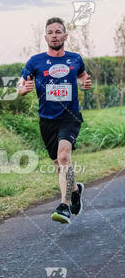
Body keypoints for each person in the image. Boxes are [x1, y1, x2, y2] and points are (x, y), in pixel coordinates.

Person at [18, 17, 92, 223]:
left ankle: (64, 206)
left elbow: (82, 76)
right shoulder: (35, 61)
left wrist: (85, 81)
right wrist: (22, 89)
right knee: (60, 166)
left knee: (64, 157)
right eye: (50, 32)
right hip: (47, 120)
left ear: (65, 36)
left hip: (70, 117)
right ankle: (75, 191)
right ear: (45, 37)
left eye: (58, 32)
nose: (54, 35)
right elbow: (21, 85)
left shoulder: (75, 58)